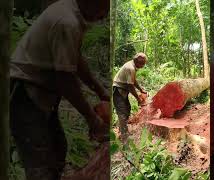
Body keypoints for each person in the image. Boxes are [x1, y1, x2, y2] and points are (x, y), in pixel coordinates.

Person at [9, 0, 110, 179]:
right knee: (40, 161)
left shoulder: (72, 13)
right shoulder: (67, 22)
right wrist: (92, 119)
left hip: (42, 91)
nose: (104, 15)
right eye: (103, 7)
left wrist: (100, 90)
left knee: (57, 149)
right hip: (26, 91)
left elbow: (75, 59)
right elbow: (65, 80)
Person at [113, 52, 148, 142]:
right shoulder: (130, 68)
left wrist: (141, 90)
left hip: (123, 89)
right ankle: (124, 136)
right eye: (142, 63)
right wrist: (138, 98)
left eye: (144, 63)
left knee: (127, 109)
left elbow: (133, 80)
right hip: (118, 89)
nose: (143, 65)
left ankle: (122, 130)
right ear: (136, 61)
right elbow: (130, 86)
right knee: (122, 111)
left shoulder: (133, 66)